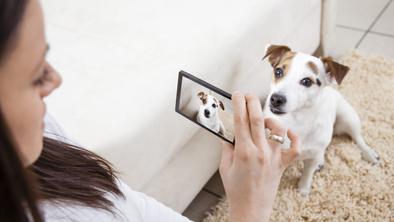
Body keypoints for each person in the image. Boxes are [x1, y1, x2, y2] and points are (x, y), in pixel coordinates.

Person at [0, 0, 300, 221]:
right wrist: (251, 207)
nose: (55, 80)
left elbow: (124, 201)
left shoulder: (41, 135)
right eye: (36, 73)